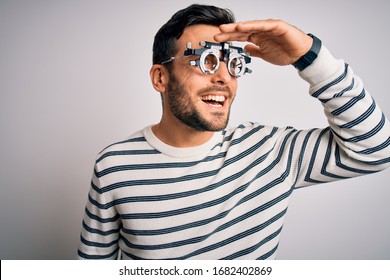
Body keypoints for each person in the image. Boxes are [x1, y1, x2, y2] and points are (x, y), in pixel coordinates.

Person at [77, 4, 390, 260]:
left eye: (233, 63)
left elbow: (376, 150)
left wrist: (309, 56)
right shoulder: (114, 166)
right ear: (160, 77)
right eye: (207, 61)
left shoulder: (269, 152)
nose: (225, 78)